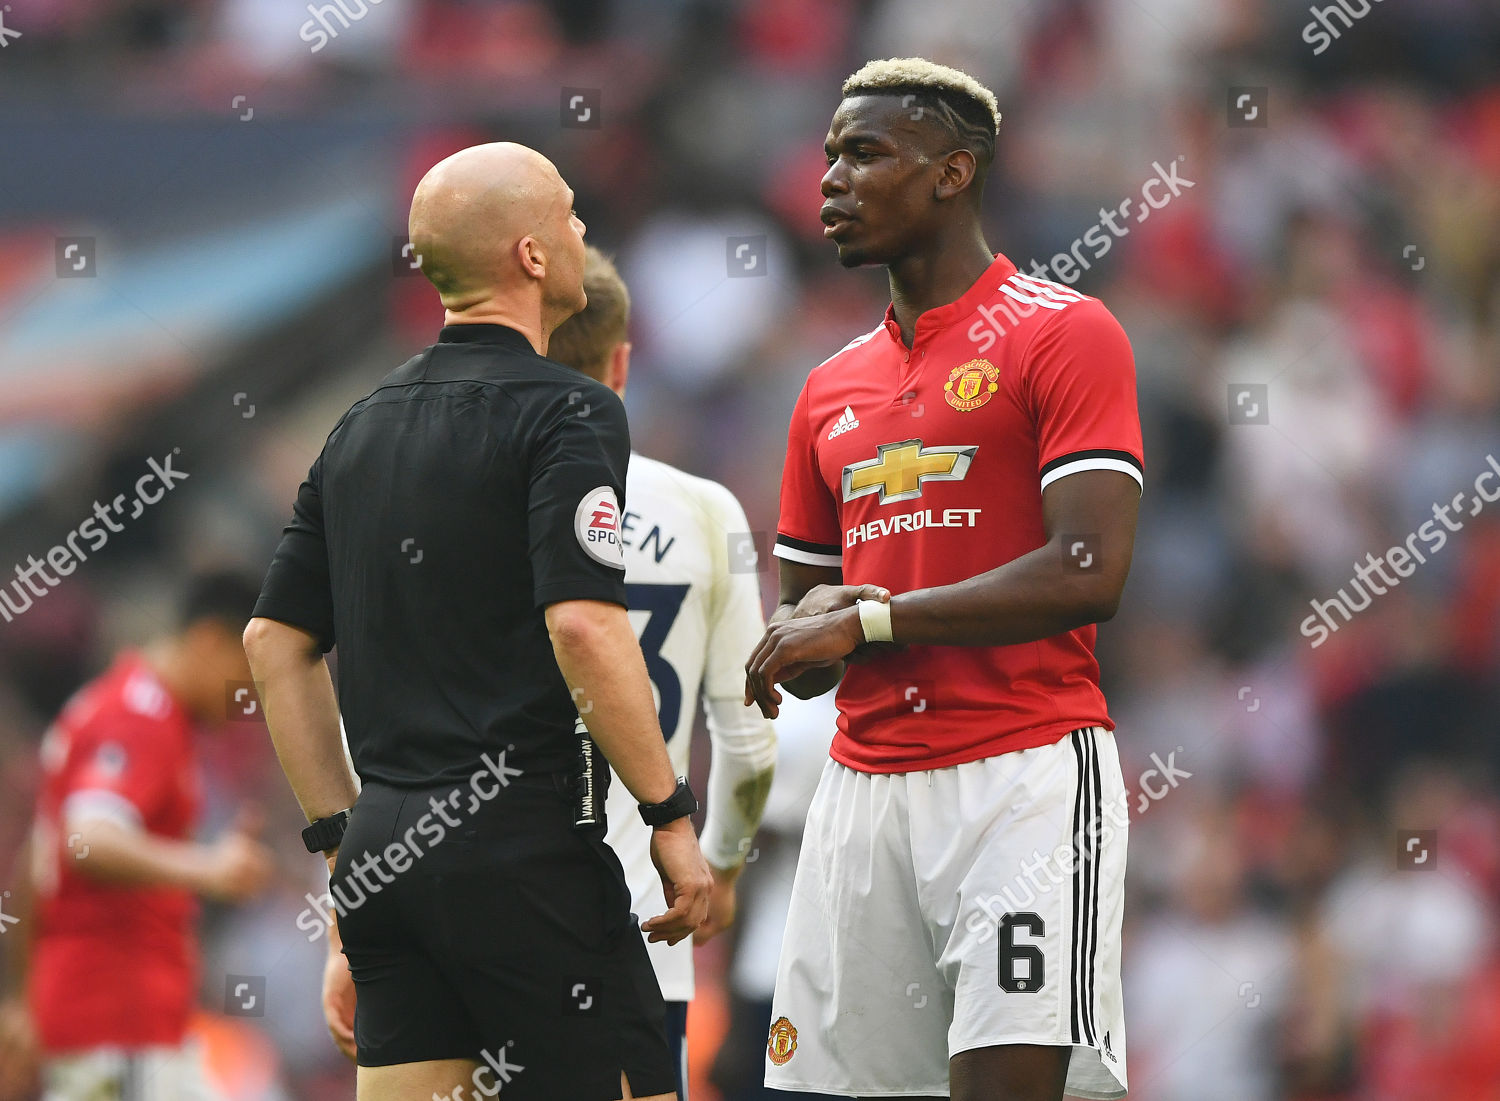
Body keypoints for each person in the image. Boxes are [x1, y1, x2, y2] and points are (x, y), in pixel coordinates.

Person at [243, 142, 712, 1101]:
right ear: (533, 257)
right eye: (571, 215)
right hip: (526, 851)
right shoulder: (571, 413)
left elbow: (273, 645)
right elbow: (583, 625)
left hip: (388, 858)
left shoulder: (357, 425)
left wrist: (344, 843)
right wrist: (668, 814)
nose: (586, 231)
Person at [743, 59, 1143, 1101]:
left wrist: (867, 620)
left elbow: (1089, 571)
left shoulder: (1065, 332)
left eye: (866, 153)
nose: (830, 177)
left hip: (1022, 774)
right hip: (861, 793)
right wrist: (798, 641)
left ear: (953, 173)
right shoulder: (827, 389)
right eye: (829, 154)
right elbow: (812, 636)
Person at [547, 246, 779, 1100]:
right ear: (622, 360)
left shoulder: (477, 500)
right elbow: (751, 745)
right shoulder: (705, 510)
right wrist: (718, 867)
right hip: (647, 922)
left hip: (489, 915)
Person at [0, 571, 274, 1101]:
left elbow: (39, 857)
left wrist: (25, 996)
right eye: (247, 675)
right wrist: (208, 867)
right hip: (116, 1019)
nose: (247, 698)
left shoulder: (137, 709)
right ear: (210, 640)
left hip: (116, 1018)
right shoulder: (139, 716)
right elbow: (89, 840)